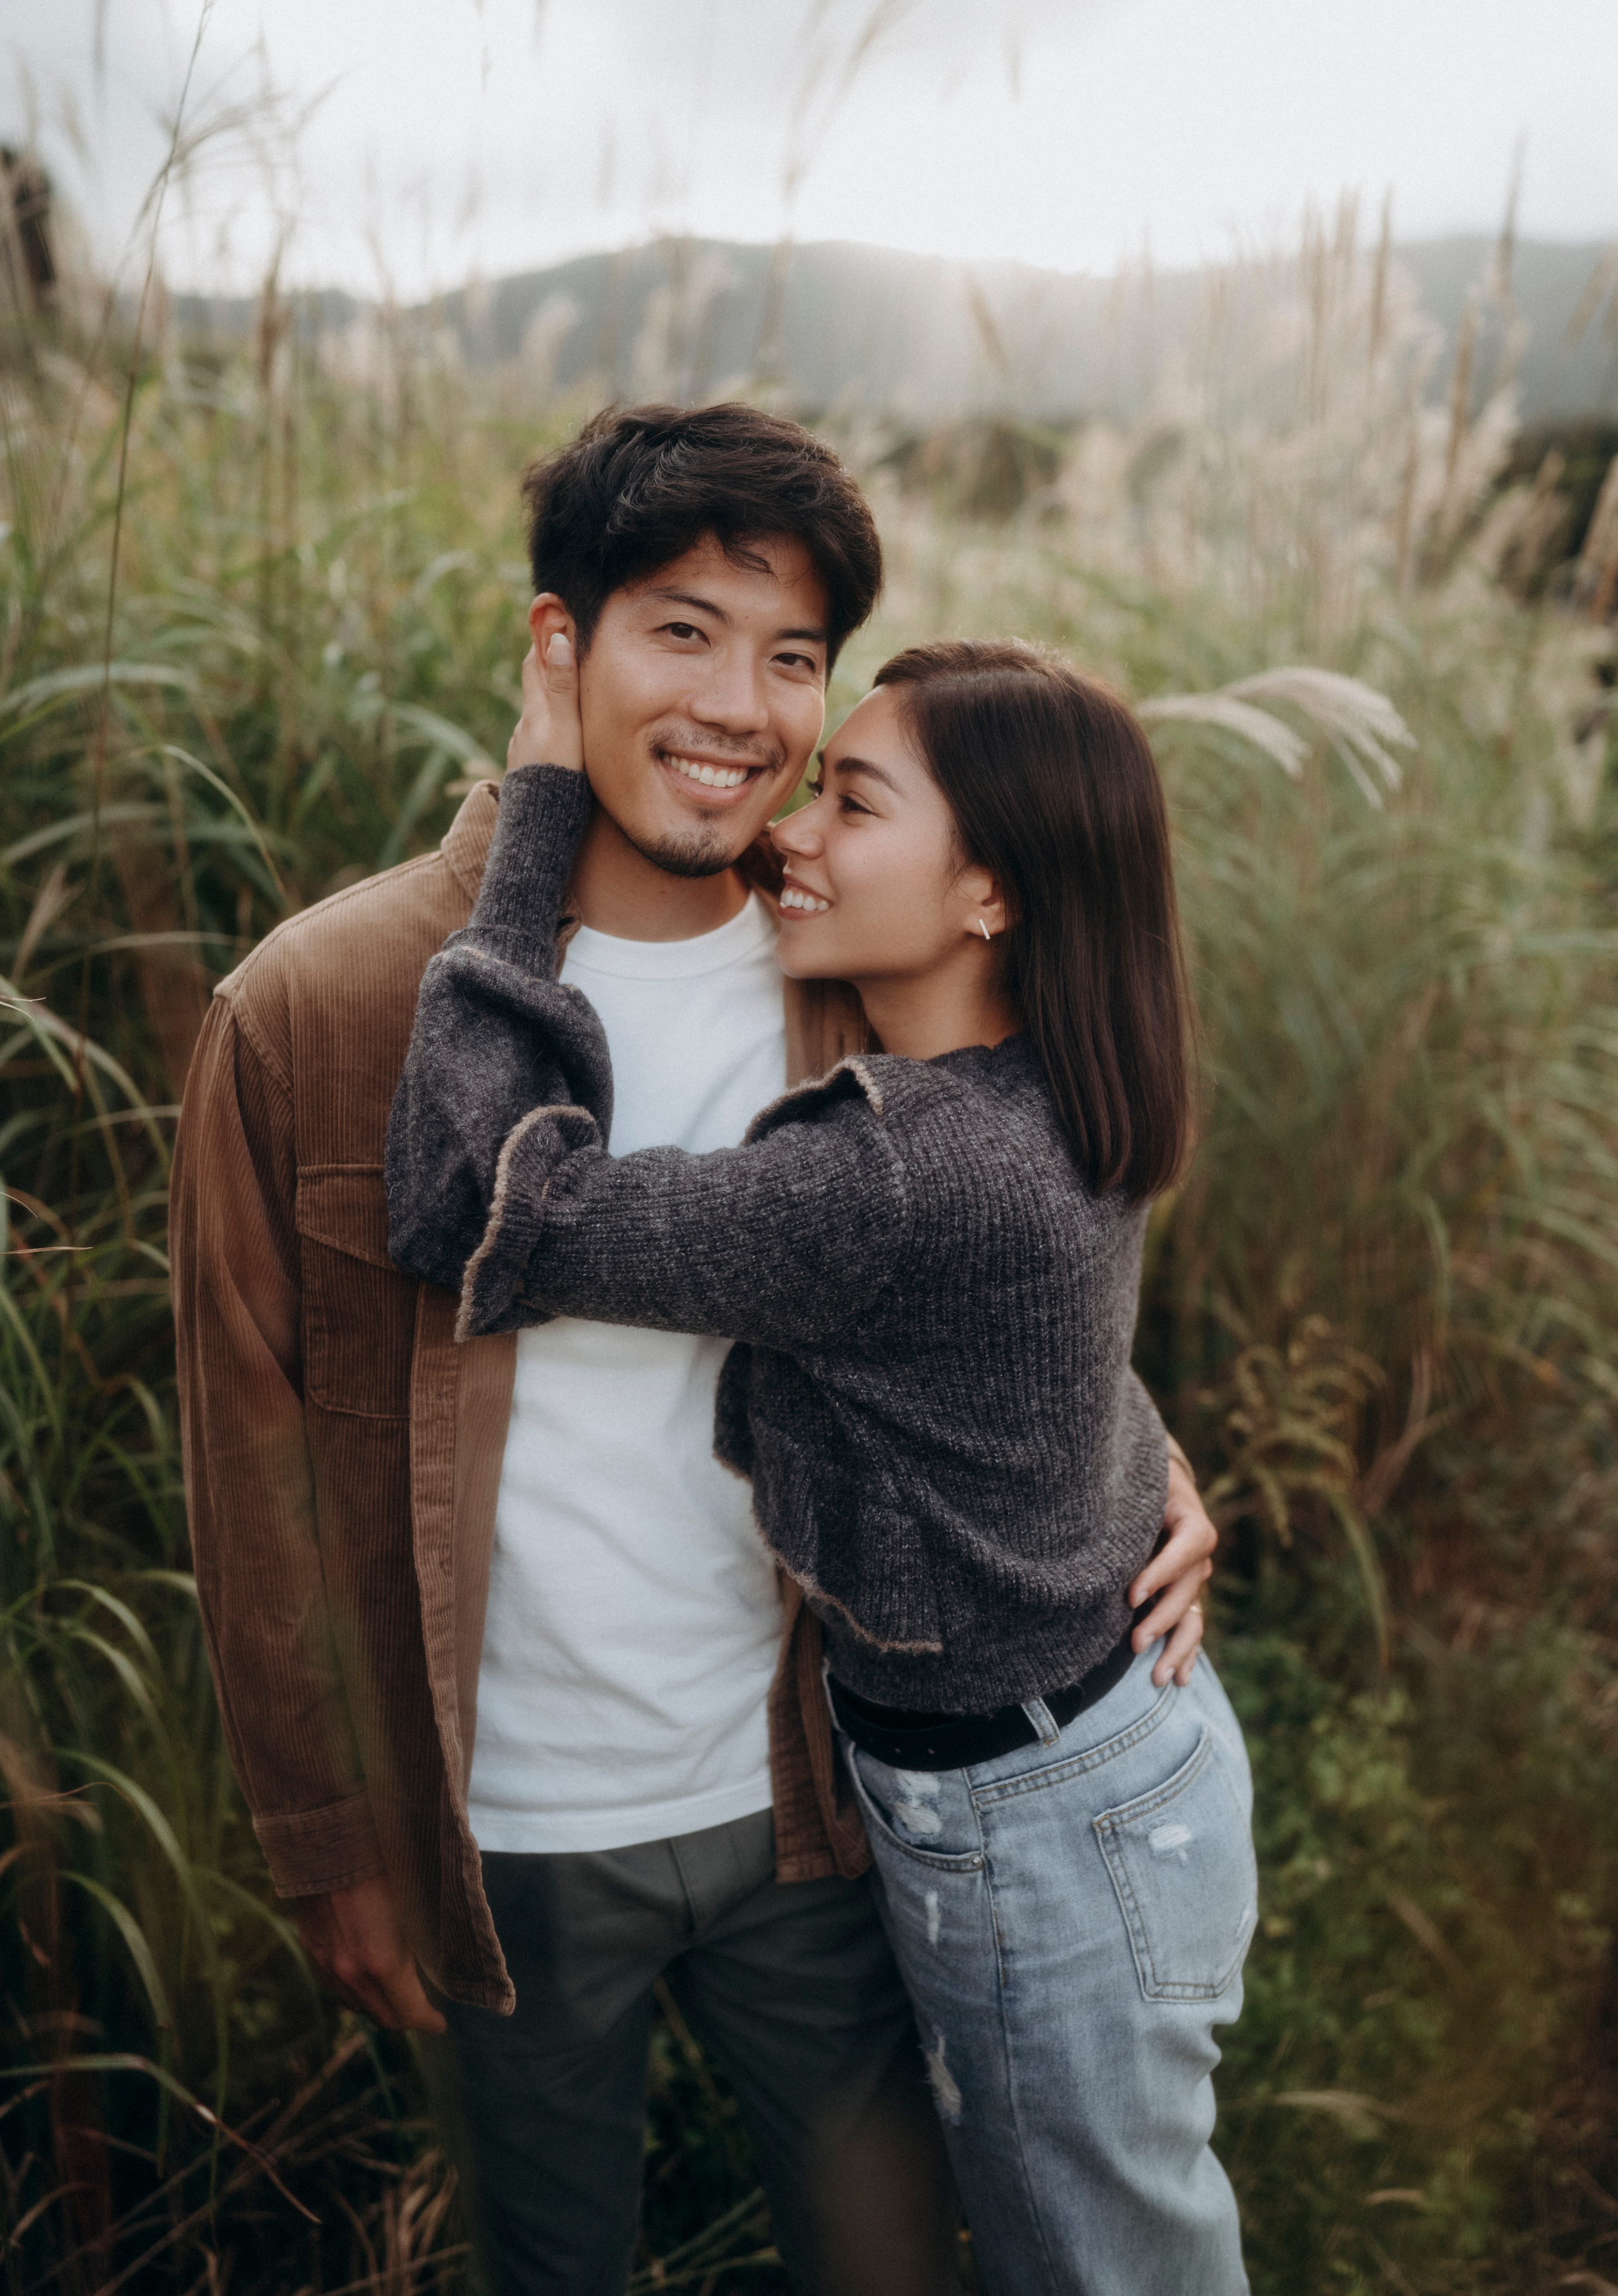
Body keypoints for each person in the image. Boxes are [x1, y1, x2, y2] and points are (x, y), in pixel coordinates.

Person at [172, 403, 1218, 2296]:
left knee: (895, 2264)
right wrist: (326, 1834)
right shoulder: (316, 1008)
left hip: (818, 1802)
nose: (745, 706)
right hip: (503, 1835)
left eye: (795, 655)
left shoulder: (850, 974)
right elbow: (245, 1449)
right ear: (556, 649)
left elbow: (997, 1278)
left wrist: (1148, 1458)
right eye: (682, 630)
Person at [387, 625, 1255, 2296]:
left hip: (1035, 1821)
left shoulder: (897, 1178)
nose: (794, 826)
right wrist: (1155, 1456)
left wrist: (536, 826)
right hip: (1098, 1763)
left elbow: (484, 1203)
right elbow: (1038, 1361)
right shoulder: (1053, 1082)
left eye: (850, 801)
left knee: (1097, 2264)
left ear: (989, 892)